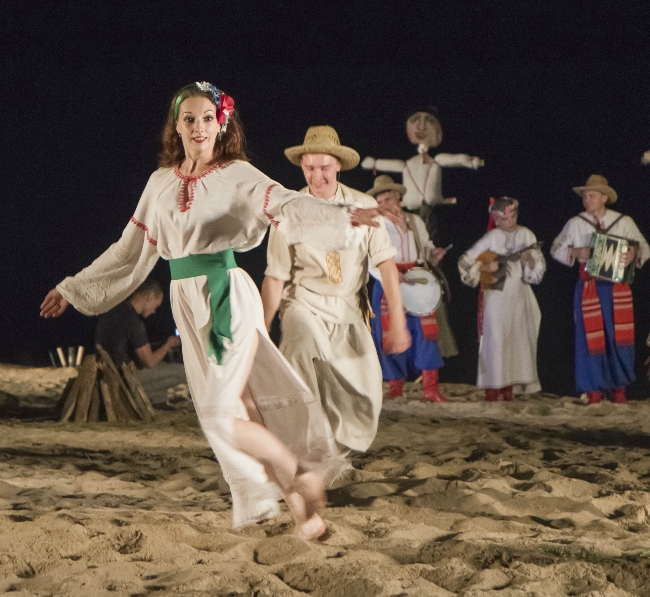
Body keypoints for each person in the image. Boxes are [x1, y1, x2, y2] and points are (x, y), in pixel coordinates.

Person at [40, 81, 385, 540]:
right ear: (176, 126)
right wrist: (73, 287)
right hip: (187, 303)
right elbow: (128, 250)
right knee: (245, 410)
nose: (199, 127)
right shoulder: (160, 183)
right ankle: (306, 517)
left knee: (221, 415)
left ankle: (299, 472)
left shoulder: (236, 173)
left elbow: (286, 203)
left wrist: (343, 217)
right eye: (189, 119)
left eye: (207, 118)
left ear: (221, 124)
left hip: (226, 296)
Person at [261, 126, 411, 454]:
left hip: (348, 307)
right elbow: (275, 276)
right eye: (310, 168)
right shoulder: (289, 210)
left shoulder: (363, 204)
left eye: (324, 167)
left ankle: (336, 448)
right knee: (300, 351)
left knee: (364, 393)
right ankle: (303, 445)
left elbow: (386, 264)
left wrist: (397, 323)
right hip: (304, 303)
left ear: (338, 165)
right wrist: (261, 330)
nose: (317, 176)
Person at [550, 175, 649, 404]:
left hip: (616, 288)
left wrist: (633, 253)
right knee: (590, 338)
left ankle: (619, 389)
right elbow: (555, 248)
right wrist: (575, 252)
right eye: (584, 196)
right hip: (589, 286)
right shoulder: (576, 223)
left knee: (618, 338)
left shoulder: (623, 221)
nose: (586, 200)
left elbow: (644, 246)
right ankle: (593, 389)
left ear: (604, 198)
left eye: (591, 196)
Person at [366, 175, 449, 402]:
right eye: (380, 201)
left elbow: (426, 247)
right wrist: (390, 274)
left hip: (415, 280)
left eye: (388, 199)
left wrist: (433, 254)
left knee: (426, 334)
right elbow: (370, 259)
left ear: (398, 198)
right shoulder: (375, 224)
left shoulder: (415, 221)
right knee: (390, 332)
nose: (384, 205)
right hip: (387, 281)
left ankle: (431, 389)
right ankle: (395, 388)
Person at [458, 197, 545, 401]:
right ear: (496, 220)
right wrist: (485, 267)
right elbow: (465, 261)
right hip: (496, 295)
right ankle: (492, 387)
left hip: (519, 293)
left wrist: (530, 261)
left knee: (517, 338)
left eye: (513, 217)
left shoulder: (527, 235)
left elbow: (537, 268)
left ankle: (509, 388)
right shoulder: (491, 237)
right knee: (495, 339)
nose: (511, 222)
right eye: (505, 219)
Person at [94, 277, 186, 406]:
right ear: (150, 297)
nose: (154, 311)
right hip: (123, 378)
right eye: (156, 305)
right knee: (184, 372)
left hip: (106, 374)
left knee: (162, 368)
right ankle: (143, 397)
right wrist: (168, 345)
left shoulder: (114, 310)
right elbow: (149, 362)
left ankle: (157, 401)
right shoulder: (134, 323)